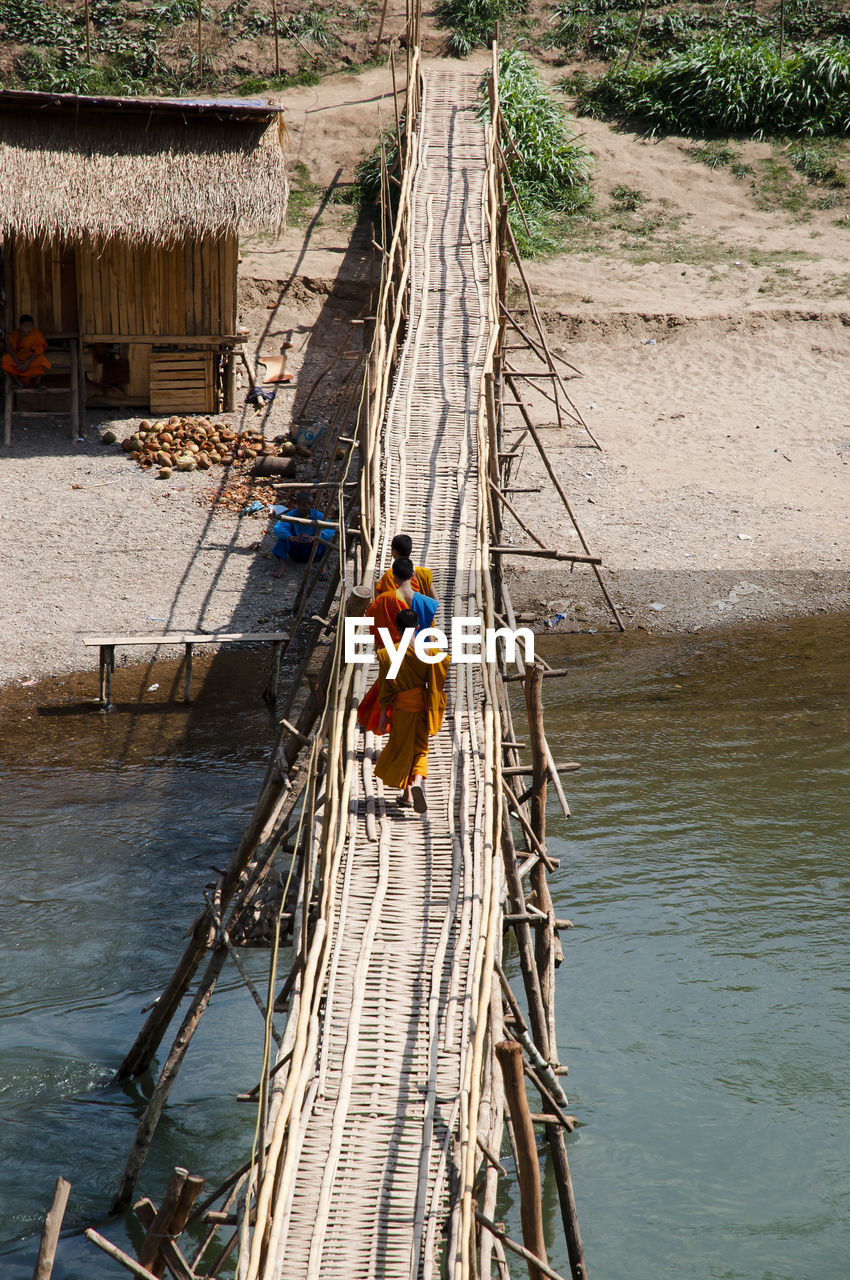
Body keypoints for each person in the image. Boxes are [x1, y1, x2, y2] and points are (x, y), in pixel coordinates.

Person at [370, 608, 450, 813]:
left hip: (402, 709)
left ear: (396, 628)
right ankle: (415, 785)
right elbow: (442, 665)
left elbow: (386, 687)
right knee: (421, 749)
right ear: (417, 628)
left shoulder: (388, 654)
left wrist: (383, 713)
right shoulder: (430, 653)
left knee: (402, 749)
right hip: (422, 707)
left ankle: (407, 794)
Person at [365, 556, 438, 645]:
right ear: (412, 574)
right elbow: (428, 629)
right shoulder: (426, 602)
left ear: (394, 577)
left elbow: (374, 621)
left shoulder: (382, 600)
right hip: (419, 651)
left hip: (394, 648)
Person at [270, 491, 335, 579]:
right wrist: (291, 537)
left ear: (311, 505)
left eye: (304, 505)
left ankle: (323, 567)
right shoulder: (292, 514)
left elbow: (330, 528)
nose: (301, 508)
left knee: (324, 539)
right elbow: (278, 527)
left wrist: (316, 537)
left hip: (313, 550)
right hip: (297, 548)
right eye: (299, 505)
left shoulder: (317, 515)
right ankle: (282, 567)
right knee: (283, 538)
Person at [374, 533, 434, 598]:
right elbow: (435, 601)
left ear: (395, 552)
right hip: (420, 607)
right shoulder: (424, 573)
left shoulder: (390, 575)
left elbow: (383, 600)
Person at [2, 315, 51, 387]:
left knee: (42, 360)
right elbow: (10, 349)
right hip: (18, 358)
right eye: (26, 326)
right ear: (21, 326)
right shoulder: (15, 334)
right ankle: (17, 382)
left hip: (30, 358)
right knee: (5, 359)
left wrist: (26, 363)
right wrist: (18, 363)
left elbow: (38, 350)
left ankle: (37, 383)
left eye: (30, 326)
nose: (29, 329)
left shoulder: (36, 334)